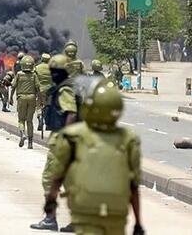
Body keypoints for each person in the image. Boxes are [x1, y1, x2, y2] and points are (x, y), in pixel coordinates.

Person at [38, 80, 144, 235]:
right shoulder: (128, 138)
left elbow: (57, 177)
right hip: (115, 210)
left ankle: (51, 219)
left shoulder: (75, 135)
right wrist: (138, 223)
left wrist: (50, 206)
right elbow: (133, 185)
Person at [31, 53, 80, 231]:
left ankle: (50, 219)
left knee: (49, 179)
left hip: (61, 142)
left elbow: (71, 112)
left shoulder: (65, 89)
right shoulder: (68, 87)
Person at [13, 55, 38, 149]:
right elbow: (38, 88)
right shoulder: (34, 75)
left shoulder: (19, 74)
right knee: (29, 121)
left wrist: (10, 97)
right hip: (32, 98)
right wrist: (41, 100)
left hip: (21, 98)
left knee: (21, 120)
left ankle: (23, 134)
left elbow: (13, 86)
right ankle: (30, 143)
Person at [35, 53, 53, 133]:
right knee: (48, 106)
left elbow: (34, 78)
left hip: (40, 90)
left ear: (42, 59)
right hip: (50, 91)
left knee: (38, 105)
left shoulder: (37, 68)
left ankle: (40, 118)